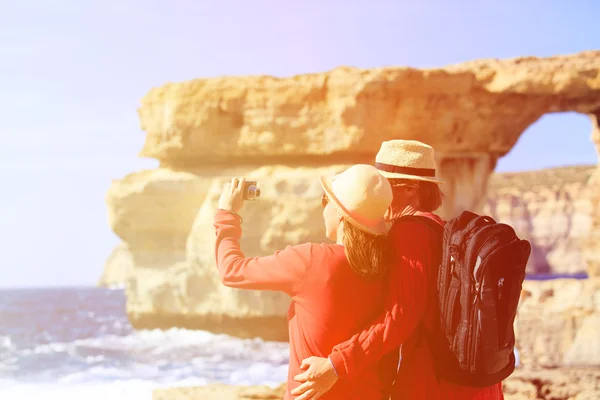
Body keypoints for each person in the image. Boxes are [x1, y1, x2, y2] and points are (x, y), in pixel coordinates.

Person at [292, 140, 504, 400]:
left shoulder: (410, 232)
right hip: (472, 380)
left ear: (411, 187)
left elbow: (399, 317)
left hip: (435, 383)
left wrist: (336, 364)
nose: (376, 192)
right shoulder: (438, 228)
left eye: (384, 183)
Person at [214, 164, 395, 400]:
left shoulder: (311, 260)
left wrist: (227, 213)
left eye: (325, 200)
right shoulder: (390, 266)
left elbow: (232, 271)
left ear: (341, 213)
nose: (323, 209)